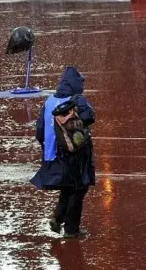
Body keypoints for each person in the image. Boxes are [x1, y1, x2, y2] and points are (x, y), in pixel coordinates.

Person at [31, 67, 96, 239]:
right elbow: (90, 118)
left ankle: (58, 218)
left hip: (54, 154)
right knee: (79, 188)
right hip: (76, 153)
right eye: (81, 81)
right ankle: (71, 229)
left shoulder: (48, 101)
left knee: (68, 187)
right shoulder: (77, 99)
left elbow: (39, 132)